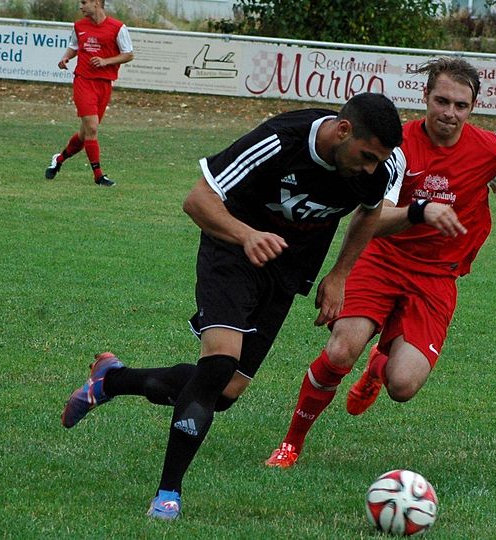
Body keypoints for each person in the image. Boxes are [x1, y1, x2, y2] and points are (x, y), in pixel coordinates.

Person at [60, 92, 404, 520]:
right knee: (219, 363)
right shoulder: (280, 140)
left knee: (223, 393)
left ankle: (111, 381)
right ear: (343, 130)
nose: (371, 169)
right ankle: (168, 493)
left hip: (285, 271)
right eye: (366, 156)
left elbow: (369, 214)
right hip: (231, 250)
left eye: (378, 161)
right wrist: (245, 236)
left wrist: (339, 275)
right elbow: (198, 200)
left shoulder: (377, 167)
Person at [263, 57, 496, 469]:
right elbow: (374, 220)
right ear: (425, 97)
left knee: (403, 385)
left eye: (460, 105)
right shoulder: (397, 146)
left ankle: (379, 364)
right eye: (442, 101)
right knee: (341, 350)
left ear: (473, 107)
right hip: (382, 259)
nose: (450, 113)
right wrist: (421, 210)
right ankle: (291, 444)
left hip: (437, 276)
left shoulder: (493, 151)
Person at [44, 0, 134, 187]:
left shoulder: (118, 28)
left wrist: (105, 61)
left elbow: (128, 54)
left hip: (104, 84)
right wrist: (66, 57)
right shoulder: (79, 26)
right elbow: (74, 46)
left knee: (85, 134)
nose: (80, 6)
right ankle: (98, 176)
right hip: (83, 81)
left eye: (84, 2)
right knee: (92, 128)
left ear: (96, 3)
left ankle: (59, 160)